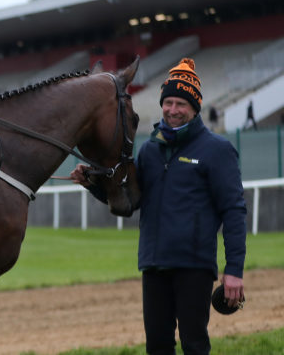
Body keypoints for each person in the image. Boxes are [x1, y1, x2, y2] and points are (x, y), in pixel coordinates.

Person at [71, 58, 247, 355]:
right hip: (154, 266)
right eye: (168, 102)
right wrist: (92, 185)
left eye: (181, 104)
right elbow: (131, 201)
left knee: (195, 346)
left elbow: (234, 211)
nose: (173, 110)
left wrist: (234, 271)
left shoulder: (217, 150)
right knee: (157, 347)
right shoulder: (150, 150)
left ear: (195, 108)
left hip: (194, 267)